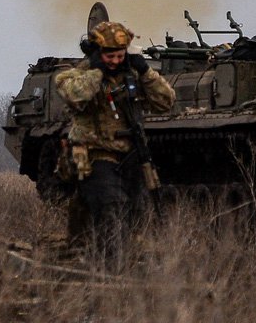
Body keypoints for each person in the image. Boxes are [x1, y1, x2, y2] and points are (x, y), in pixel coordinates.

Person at [56, 21, 176, 264]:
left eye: (120, 55)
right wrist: (97, 71)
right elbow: (75, 94)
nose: (114, 61)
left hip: (131, 156)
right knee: (111, 208)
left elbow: (166, 102)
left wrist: (146, 73)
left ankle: (126, 262)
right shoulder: (78, 74)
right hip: (95, 154)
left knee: (137, 212)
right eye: (109, 56)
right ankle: (111, 267)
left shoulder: (132, 75)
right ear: (97, 52)